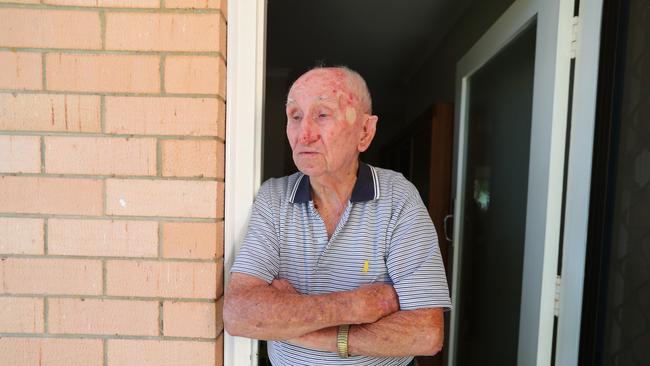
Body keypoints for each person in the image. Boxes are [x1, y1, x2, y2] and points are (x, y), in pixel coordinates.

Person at [224, 66, 451, 366]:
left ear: (365, 132)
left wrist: (301, 327)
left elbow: (425, 333)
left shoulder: (398, 197)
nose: (304, 134)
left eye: (322, 115)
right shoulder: (274, 197)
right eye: (295, 116)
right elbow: (239, 314)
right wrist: (357, 305)